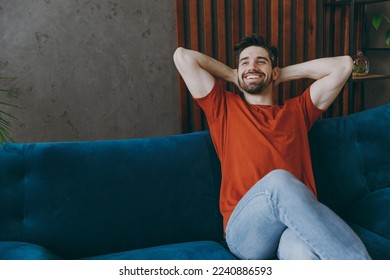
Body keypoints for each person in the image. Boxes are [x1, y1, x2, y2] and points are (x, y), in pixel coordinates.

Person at [173, 34, 371, 260]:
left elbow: (344, 65)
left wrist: (282, 74)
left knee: (302, 253)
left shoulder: (298, 111)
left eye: (261, 61)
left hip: (292, 226)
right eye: (245, 62)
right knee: (279, 180)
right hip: (246, 232)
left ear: (274, 72)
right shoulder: (223, 108)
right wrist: (232, 74)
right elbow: (182, 56)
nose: (252, 66)